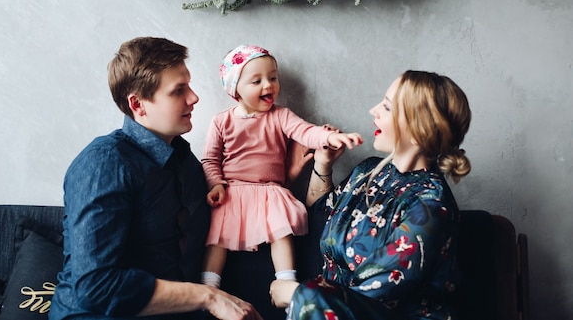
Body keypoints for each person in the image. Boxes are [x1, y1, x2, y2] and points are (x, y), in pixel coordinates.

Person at [50, 37, 262, 320]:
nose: (194, 97)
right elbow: (95, 287)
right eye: (178, 90)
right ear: (138, 104)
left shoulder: (185, 161)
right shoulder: (104, 163)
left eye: (189, 84)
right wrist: (208, 297)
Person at [269, 70, 472, 320]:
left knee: (309, 296)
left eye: (387, 107)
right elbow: (320, 212)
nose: (373, 110)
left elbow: (372, 295)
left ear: (418, 125)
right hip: (335, 310)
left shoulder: (430, 206)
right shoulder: (369, 170)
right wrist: (323, 165)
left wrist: (294, 293)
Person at [200, 44, 363, 290]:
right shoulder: (221, 122)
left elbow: (305, 131)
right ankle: (209, 285)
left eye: (273, 78)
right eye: (256, 81)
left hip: (270, 191)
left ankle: (286, 281)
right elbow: (210, 159)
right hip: (232, 191)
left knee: (281, 232)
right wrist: (215, 183)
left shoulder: (280, 116)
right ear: (236, 89)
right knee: (217, 238)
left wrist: (328, 138)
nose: (269, 85)